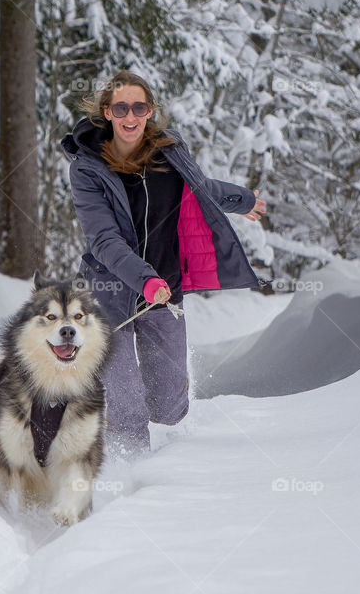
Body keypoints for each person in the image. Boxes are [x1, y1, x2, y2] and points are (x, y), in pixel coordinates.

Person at [59, 70, 267, 457]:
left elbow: (202, 188)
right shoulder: (87, 168)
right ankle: (128, 482)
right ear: (107, 111)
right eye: (120, 107)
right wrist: (144, 279)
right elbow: (104, 240)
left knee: (169, 408)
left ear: (150, 110)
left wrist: (243, 200)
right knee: (127, 407)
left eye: (139, 106)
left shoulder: (168, 152)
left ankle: (136, 416)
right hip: (109, 296)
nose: (130, 115)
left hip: (165, 292)